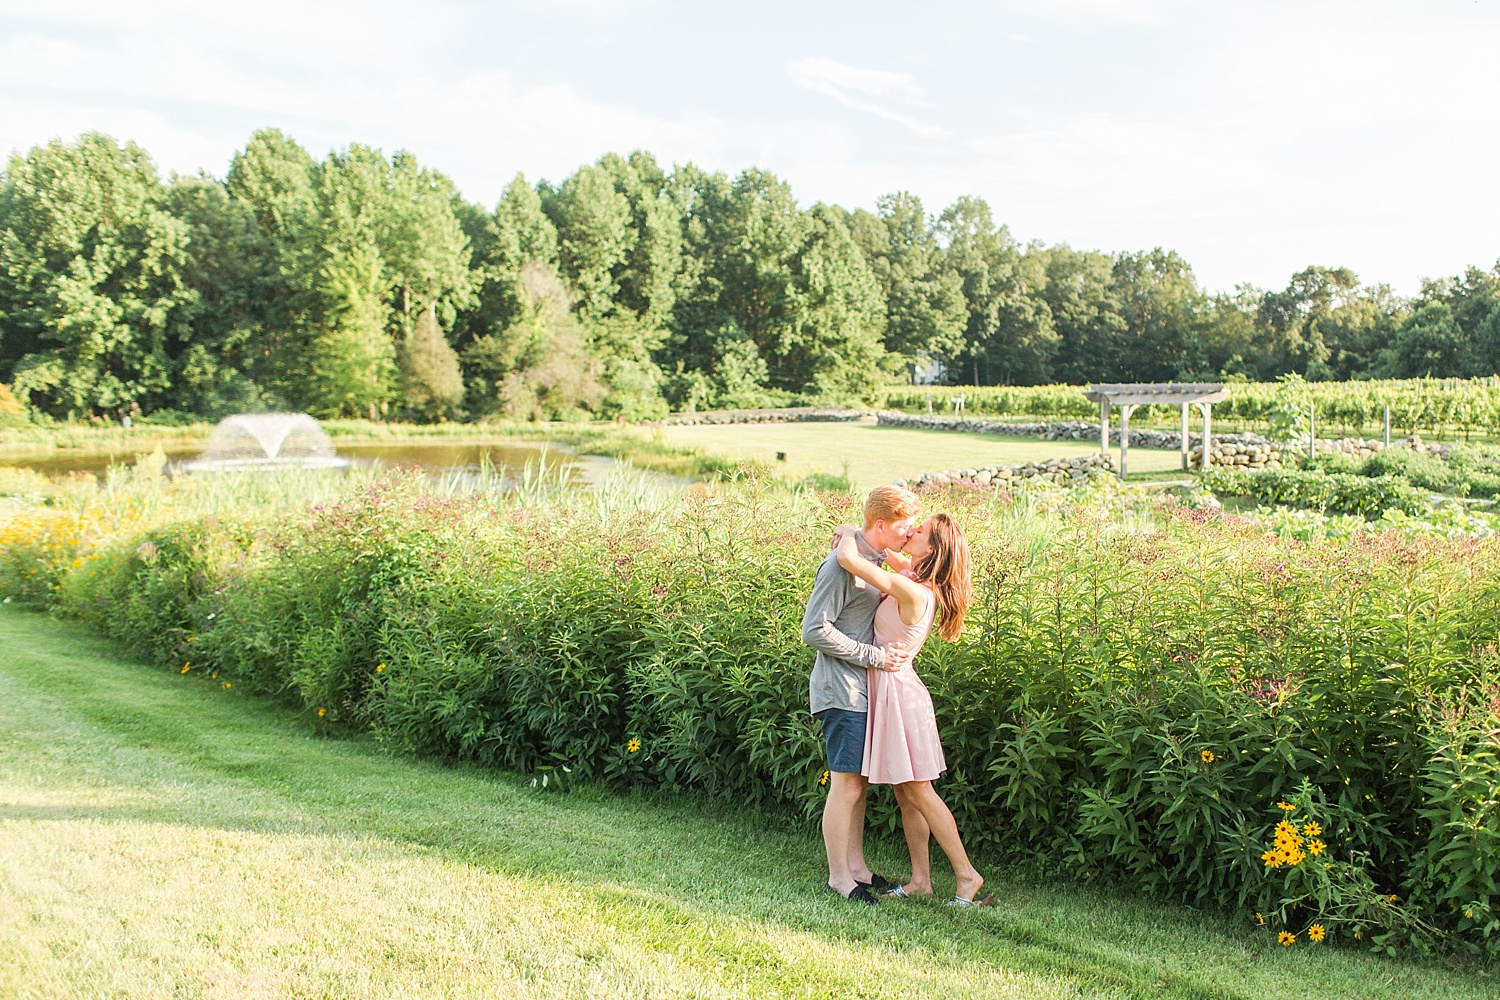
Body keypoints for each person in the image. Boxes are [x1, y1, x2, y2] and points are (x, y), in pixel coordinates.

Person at [831, 513, 991, 907]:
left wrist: (853, 530)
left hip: (899, 697)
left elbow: (852, 561)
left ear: (933, 548)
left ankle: (968, 877)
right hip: (891, 691)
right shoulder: (916, 581)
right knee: (907, 794)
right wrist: (893, 552)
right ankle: (921, 880)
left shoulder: (916, 592)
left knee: (920, 790)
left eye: (919, 532)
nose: (911, 532)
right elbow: (891, 557)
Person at [802, 485, 920, 905]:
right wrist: (874, 656)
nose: (910, 534)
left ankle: (858, 868)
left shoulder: (870, 558)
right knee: (846, 784)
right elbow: (814, 629)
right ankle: (839, 878)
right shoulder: (840, 566)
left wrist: (848, 528)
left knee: (860, 784)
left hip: (864, 689)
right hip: (841, 689)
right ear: (883, 524)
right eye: (905, 527)